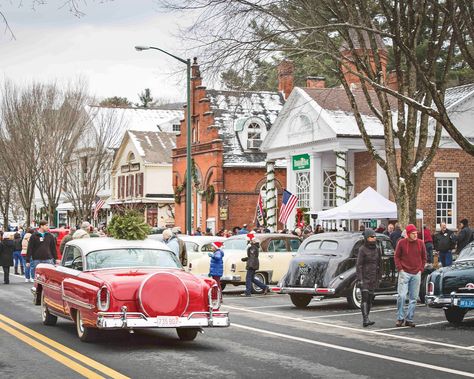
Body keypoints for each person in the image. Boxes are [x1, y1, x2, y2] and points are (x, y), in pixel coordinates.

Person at [394, 224, 427, 327]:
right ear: (408, 234)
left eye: (416, 233)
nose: (415, 235)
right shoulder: (401, 243)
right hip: (404, 272)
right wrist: (400, 269)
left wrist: (420, 269)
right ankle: (400, 318)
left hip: (416, 273)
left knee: (413, 298)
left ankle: (409, 319)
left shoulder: (421, 243)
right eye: (413, 233)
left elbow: (424, 257)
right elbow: (397, 256)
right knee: (402, 296)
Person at [356, 229, 382, 327]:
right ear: (367, 238)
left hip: (373, 276)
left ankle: (368, 317)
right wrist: (360, 279)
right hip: (364, 276)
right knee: (365, 297)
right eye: (372, 236)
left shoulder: (377, 248)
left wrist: (379, 277)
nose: (374, 238)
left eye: (374, 236)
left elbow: (379, 264)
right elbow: (359, 265)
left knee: (370, 298)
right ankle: (365, 319)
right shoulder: (362, 249)